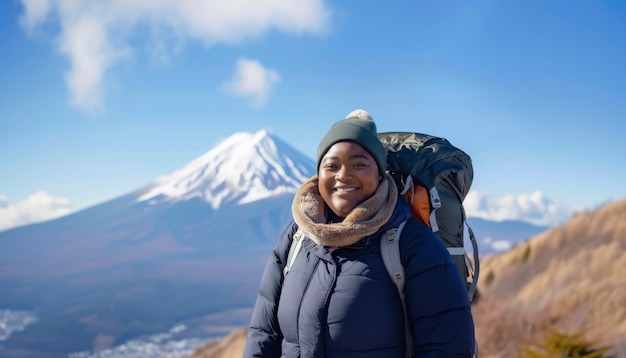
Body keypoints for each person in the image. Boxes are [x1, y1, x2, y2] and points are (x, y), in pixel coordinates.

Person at [243, 109, 476, 357]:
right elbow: (263, 333)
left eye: (359, 164)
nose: (343, 175)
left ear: (379, 173)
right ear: (318, 174)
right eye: (331, 165)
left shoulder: (411, 243)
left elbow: (448, 348)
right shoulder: (296, 237)